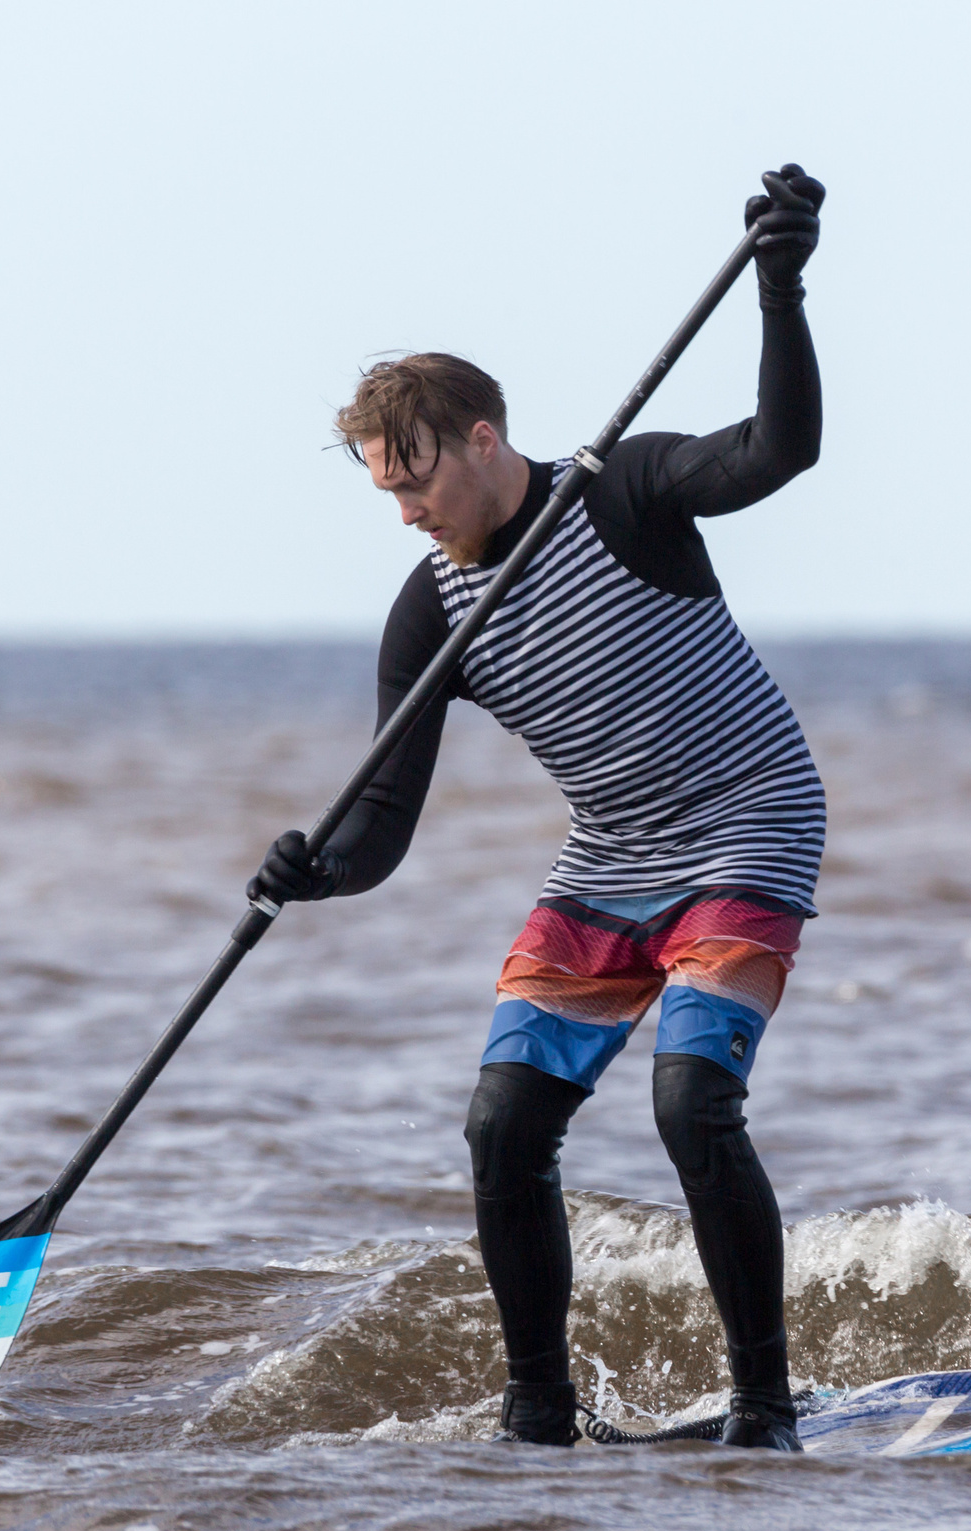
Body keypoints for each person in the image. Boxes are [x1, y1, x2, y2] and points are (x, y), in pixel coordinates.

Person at [250, 165, 829, 1450]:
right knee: (502, 1126)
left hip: (747, 819)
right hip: (609, 856)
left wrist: (779, 287)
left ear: (483, 441)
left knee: (692, 1106)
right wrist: (319, 870)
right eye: (383, 494)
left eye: (418, 484)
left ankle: (766, 1413)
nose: (405, 515)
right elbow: (383, 819)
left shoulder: (617, 494)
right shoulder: (432, 609)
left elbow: (778, 451)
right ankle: (539, 1418)